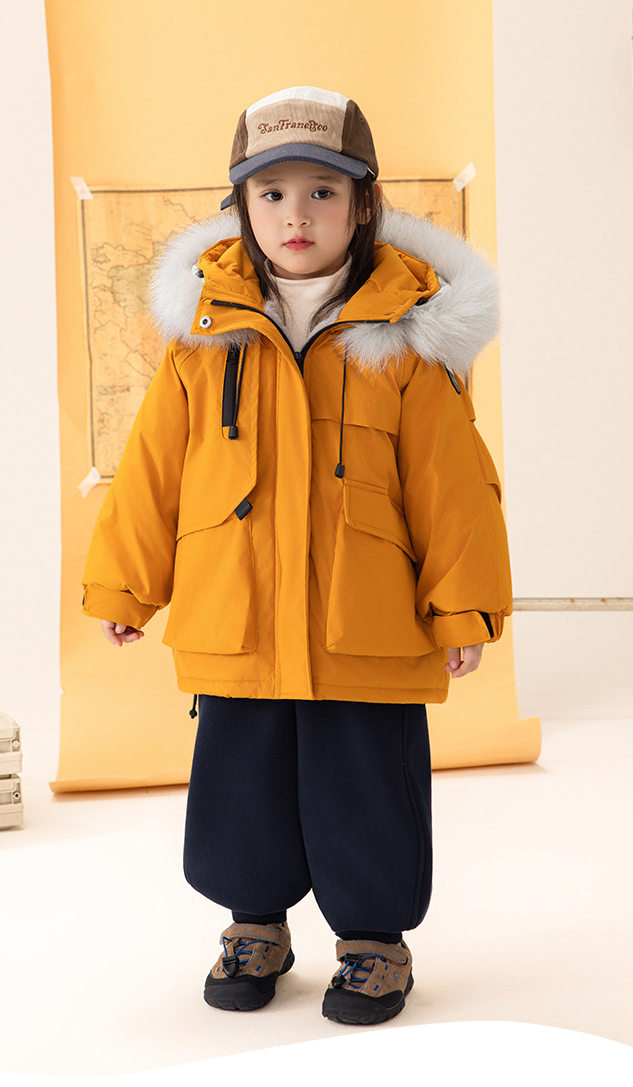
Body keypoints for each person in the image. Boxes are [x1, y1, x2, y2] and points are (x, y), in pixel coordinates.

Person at [82, 86, 512, 1025]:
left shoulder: (407, 336)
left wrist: (462, 607)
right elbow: (153, 468)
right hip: (237, 617)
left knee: (367, 789)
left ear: (364, 203)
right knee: (242, 788)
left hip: (368, 622)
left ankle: (373, 943)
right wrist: (126, 584)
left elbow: (453, 486)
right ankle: (255, 926)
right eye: (271, 194)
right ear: (241, 206)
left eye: (322, 191)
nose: (296, 215)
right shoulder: (206, 335)